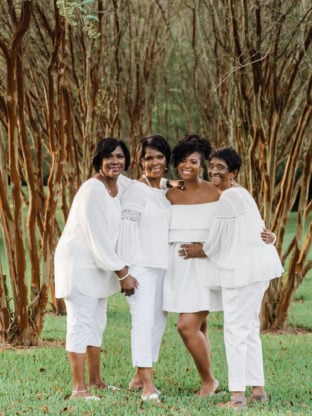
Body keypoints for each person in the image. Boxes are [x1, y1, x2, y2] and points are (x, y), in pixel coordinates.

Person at [180, 147, 284, 408]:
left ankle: (237, 396)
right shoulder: (241, 194)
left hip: (242, 273)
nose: (214, 171)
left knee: (235, 330)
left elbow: (217, 241)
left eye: (220, 168)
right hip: (257, 270)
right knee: (248, 329)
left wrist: (199, 249)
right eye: (212, 165)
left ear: (233, 173)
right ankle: (258, 390)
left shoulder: (229, 198)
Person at [54, 138, 139, 400]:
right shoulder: (92, 190)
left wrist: (174, 184)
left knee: (96, 323)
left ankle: (97, 382)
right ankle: (79, 388)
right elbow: (98, 239)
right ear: (98, 161)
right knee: (80, 323)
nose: (115, 161)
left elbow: (142, 187)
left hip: (99, 268)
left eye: (120, 156)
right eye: (109, 157)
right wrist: (123, 273)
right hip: (81, 265)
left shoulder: (118, 185)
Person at [162, 134, 222, 397]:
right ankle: (208, 378)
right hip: (177, 269)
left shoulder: (216, 193)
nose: (188, 166)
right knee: (198, 326)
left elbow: (229, 231)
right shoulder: (171, 194)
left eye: (194, 161)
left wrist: (205, 248)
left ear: (203, 164)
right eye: (183, 161)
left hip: (205, 267)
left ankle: (209, 380)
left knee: (186, 326)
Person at [117, 135, 171, 402]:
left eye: (159, 157)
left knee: (159, 321)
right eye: (149, 158)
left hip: (163, 265)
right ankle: (148, 384)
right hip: (140, 267)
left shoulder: (164, 189)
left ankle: (138, 376)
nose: (154, 162)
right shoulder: (136, 190)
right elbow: (127, 229)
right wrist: (125, 271)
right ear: (140, 161)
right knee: (143, 321)